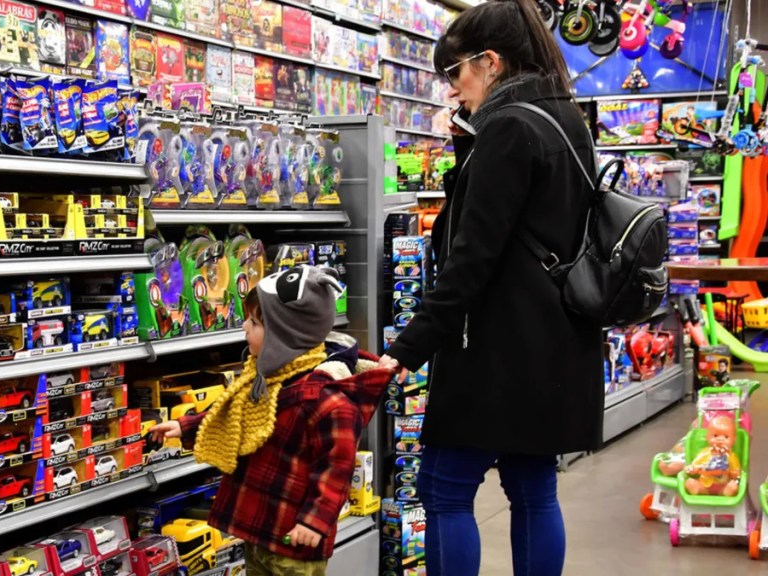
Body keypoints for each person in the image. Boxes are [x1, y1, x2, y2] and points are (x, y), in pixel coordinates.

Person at [376, 1, 603, 574]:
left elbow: (472, 258)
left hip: (498, 349)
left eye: (456, 73)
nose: (452, 90)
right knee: (533, 488)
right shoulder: (562, 118)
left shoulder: (507, 128)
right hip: (555, 342)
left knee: (444, 487)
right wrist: (466, 149)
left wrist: (408, 347)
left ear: (491, 62)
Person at [149, 266, 393, 576]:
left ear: (284, 335)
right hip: (260, 529)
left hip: (294, 538)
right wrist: (185, 426)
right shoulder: (267, 378)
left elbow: (337, 468)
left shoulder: (325, 398)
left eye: (253, 323)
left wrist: (315, 520)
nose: (244, 330)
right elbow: (233, 413)